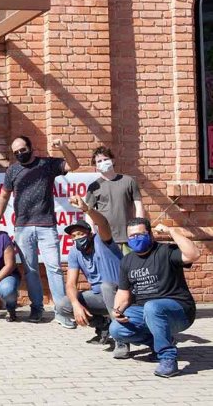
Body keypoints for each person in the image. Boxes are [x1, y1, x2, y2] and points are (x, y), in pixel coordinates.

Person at [0, 135, 79, 325]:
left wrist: (64, 147)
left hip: (47, 225)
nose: (19, 154)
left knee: (54, 268)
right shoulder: (13, 170)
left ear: (31, 148)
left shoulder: (46, 164)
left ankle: (62, 312)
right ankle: (37, 309)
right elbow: (4, 196)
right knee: (31, 270)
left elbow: (73, 166)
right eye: (16, 152)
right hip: (22, 227)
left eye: (22, 150)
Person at [109, 219, 200, 377]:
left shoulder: (166, 251)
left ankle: (167, 358)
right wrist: (117, 310)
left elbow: (194, 254)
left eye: (140, 234)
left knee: (153, 307)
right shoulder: (127, 261)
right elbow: (123, 292)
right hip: (146, 311)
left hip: (179, 311)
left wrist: (171, 232)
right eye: (132, 236)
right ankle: (158, 342)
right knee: (116, 329)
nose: (135, 238)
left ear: (150, 234)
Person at [57, 197, 124, 354]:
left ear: (89, 233)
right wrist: (75, 305)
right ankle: (104, 325)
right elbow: (71, 284)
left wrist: (87, 209)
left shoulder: (102, 241)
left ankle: (121, 339)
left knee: (106, 286)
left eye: (80, 234)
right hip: (100, 296)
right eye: (73, 237)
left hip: (121, 293)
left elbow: (103, 223)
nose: (77, 238)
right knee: (63, 305)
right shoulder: (75, 252)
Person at [85, 146, 145, 253]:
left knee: (130, 268)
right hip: (105, 239)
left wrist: (140, 229)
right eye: (99, 161)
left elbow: (139, 207)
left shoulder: (128, 181)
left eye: (106, 159)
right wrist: (93, 233)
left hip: (129, 238)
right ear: (96, 166)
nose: (103, 162)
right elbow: (88, 212)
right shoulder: (94, 187)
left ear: (112, 160)